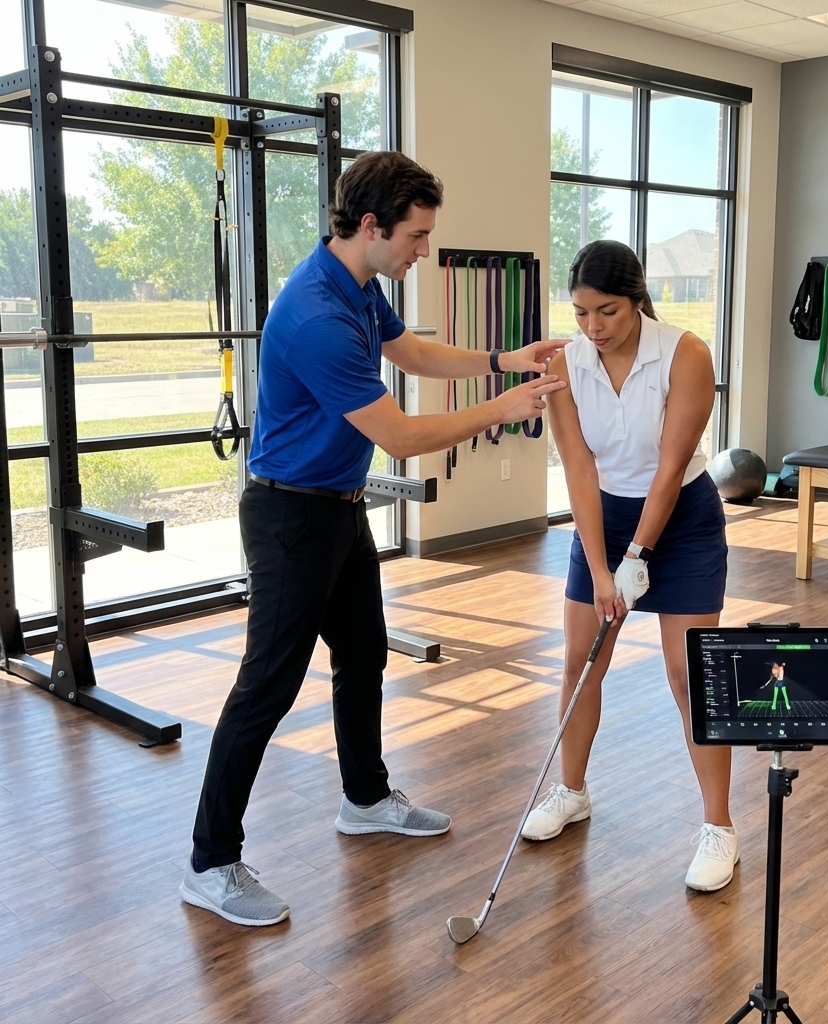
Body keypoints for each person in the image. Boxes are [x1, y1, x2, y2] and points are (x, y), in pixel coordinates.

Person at [181, 151, 565, 927]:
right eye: (417, 236)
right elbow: (400, 437)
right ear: (370, 226)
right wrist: (504, 404)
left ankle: (364, 799)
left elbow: (412, 351)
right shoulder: (318, 314)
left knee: (362, 658)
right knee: (267, 688)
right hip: (291, 518)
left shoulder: (356, 287)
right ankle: (211, 862)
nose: (423, 250)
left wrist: (500, 361)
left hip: (338, 508)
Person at [522, 239, 737, 892]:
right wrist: (599, 567)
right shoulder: (565, 362)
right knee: (580, 662)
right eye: (581, 313)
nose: (593, 328)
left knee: (687, 673)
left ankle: (719, 828)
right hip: (604, 518)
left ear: (636, 298)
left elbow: (671, 469)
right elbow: (579, 469)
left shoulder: (685, 354)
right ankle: (572, 791)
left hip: (684, 522)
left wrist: (639, 556)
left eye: (608, 312)